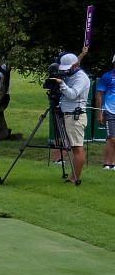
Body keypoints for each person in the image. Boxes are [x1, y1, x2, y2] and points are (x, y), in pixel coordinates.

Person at [54, 52, 91, 185]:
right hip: (68, 114)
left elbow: (72, 94)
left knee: (77, 148)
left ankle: (75, 177)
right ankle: (73, 175)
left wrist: (62, 84)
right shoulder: (71, 74)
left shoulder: (81, 78)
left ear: (75, 65)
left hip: (75, 116)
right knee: (74, 147)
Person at [97, 55, 115, 172]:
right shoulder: (107, 76)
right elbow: (99, 94)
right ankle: (107, 163)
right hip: (110, 110)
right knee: (112, 138)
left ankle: (111, 164)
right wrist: (100, 113)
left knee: (111, 139)